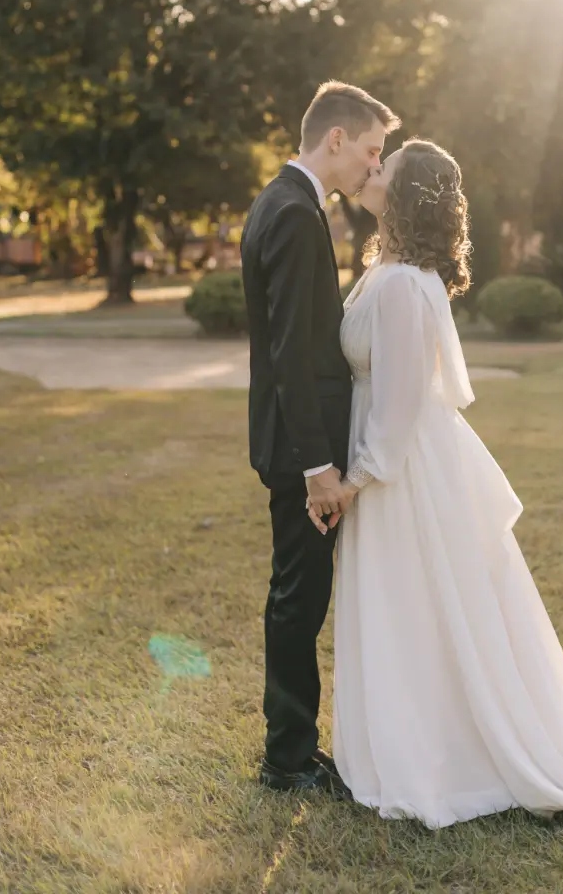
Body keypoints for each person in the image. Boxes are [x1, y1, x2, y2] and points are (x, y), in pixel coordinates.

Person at [312, 139, 563, 829]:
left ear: (406, 192)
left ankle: (442, 756)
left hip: (403, 471)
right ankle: (401, 741)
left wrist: (357, 480)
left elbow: (402, 400)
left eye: (384, 167)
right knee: (404, 604)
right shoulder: (384, 270)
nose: (371, 169)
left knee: (420, 602)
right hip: (391, 461)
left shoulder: (407, 284)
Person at [241, 80, 400, 797]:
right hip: (301, 452)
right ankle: (288, 758)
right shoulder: (297, 215)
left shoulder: (287, 203)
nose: (373, 167)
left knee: (298, 596)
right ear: (335, 139)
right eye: (370, 151)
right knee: (299, 600)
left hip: (297, 445)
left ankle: (294, 748)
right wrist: (317, 468)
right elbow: (291, 356)